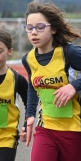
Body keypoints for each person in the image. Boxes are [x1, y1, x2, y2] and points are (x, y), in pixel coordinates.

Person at [20, 0, 81, 161]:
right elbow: (32, 87)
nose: (34, 32)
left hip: (74, 131)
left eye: (40, 27)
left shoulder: (70, 53)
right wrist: (29, 115)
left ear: (54, 29)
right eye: (29, 28)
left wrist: (74, 86)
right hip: (46, 128)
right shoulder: (28, 59)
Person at [0, 30, 28, 161]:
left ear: (9, 51)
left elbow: (30, 103)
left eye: (0, 51)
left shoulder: (18, 79)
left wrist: (26, 126)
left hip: (7, 138)